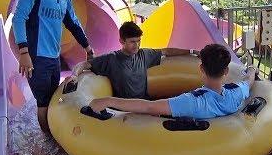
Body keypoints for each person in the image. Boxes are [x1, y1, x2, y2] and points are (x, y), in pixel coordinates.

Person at [12, 0, 95, 133]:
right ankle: (47, 139)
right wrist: (23, 52)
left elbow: (73, 24)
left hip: (53, 58)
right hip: (35, 57)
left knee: (53, 99)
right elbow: (19, 18)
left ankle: (54, 133)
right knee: (43, 103)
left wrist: (88, 48)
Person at [89, 43, 254, 119]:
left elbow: (149, 106)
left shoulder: (192, 102)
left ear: (201, 69)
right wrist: (252, 70)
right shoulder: (237, 92)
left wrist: (109, 100)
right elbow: (249, 81)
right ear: (226, 71)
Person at [67, 21, 198, 99]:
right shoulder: (111, 58)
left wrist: (192, 51)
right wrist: (74, 75)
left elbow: (167, 51)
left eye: (138, 41)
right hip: (124, 109)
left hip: (145, 103)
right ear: (121, 41)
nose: (136, 45)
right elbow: (84, 64)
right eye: (132, 42)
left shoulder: (144, 54)